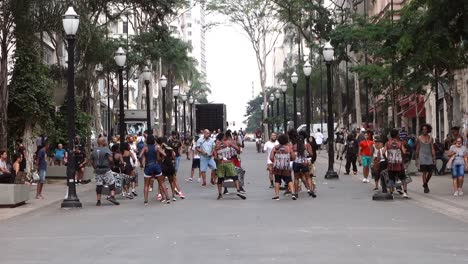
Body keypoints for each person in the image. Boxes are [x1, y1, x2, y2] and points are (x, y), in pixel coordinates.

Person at [213, 132, 245, 200]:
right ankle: (236, 190)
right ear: (223, 137)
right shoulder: (221, 144)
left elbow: (215, 157)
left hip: (224, 163)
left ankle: (222, 194)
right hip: (225, 163)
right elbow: (215, 156)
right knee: (231, 177)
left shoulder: (220, 144)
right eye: (225, 136)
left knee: (227, 178)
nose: (226, 137)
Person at [90, 137, 119, 206]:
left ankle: (98, 201)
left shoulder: (94, 150)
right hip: (106, 169)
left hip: (98, 170)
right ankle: (112, 196)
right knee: (112, 182)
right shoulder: (106, 149)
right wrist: (112, 165)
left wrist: (95, 168)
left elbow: (91, 161)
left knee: (99, 185)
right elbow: (111, 159)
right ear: (103, 142)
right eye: (105, 141)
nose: (106, 142)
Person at [140, 135, 167, 205]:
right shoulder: (156, 147)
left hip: (148, 166)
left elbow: (140, 155)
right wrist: (161, 159)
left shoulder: (145, 148)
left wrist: (143, 160)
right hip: (156, 165)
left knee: (146, 185)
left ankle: (146, 201)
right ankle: (167, 198)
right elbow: (164, 154)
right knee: (161, 182)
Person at [158, 137, 185, 201]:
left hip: (163, 165)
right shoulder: (169, 147)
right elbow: (174, 155)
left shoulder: (160, 148)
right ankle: (173, 196)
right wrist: (173, 159)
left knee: (162, 181)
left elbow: (159, 158)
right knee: (172, 181)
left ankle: (162, 196)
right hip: (170, 164)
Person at [270, 133, 296, 200]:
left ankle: (277, 195)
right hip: (286, 167)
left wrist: (276, 161)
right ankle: (293, 193)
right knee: (289, 179)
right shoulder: (288, 148)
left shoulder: (275, 148)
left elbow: (271, 157)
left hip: (277, 167)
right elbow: (293, 157)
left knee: (277, 180)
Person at [384, 129, 409, 198]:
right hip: (399, 163)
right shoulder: (400, 143)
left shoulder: (387, 143)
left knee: (391, 178)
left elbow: (383, 152)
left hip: (390, 163)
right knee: (403, 178)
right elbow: (404, 152)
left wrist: (386, 159)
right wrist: (403, 158)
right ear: (397, 135)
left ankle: (391, 193)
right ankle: (405, 192)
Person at [415, 124, 436, 193]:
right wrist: (416, 159)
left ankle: (425, 183)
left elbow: (432, 148)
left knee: (430, 172)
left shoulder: (431, 138)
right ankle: (426, 187)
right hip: (422, 156)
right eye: (423, 129)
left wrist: (434, 157)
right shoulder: (419, 138)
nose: (424, 130)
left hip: (429, 156)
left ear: (428, 130)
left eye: (426, 129)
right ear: (421, 130)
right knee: (424, 172)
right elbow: (417, 149)